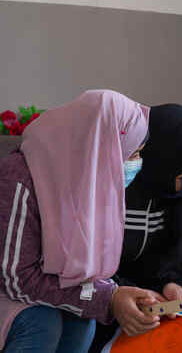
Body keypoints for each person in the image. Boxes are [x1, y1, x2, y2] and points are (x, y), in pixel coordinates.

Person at [0, 90, 154, 353]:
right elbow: (16, 278)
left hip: (31, 286)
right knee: (42, 323)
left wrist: (114, 293)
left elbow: (83, 269)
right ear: (100, 144)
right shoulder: (20, 177)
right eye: (131, 153)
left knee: (82, 320)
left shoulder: (87, 183)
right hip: (8, 285)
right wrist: (108, 297)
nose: (136, 163)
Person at [90, 104, 182, 350]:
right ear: (165, 162)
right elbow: (91, 266)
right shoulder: (113, 191)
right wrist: (123, 292)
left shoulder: (181, 196)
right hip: (103, 295)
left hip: (146, 299)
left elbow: (168, 256)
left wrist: (168, 283)